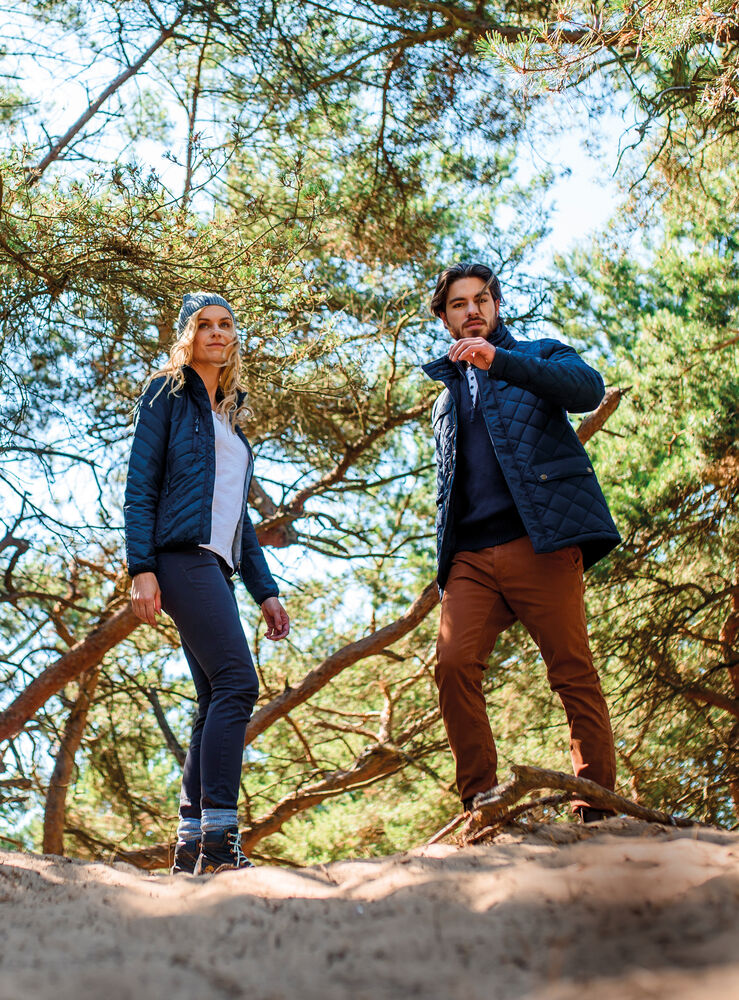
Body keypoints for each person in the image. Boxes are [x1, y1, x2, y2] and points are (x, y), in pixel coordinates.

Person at [422, 263, 621, 823]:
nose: (473, 311)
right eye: (459, 304)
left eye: (482, 300)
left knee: (571, 670)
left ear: (496, 306)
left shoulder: (540, 354)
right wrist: (447, 560)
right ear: (445, 319)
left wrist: (501, 362)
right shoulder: (444, 402)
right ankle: (482, 805)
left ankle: (596, 807)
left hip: (542, 542)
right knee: (453, 665)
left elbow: (587, 390)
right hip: (470, 557)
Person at [124, 291, 290, 873]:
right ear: (187, 335)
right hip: (179, 559)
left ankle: (192, 845)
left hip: (215, 566)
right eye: (204, 325)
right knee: (238, 682)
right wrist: (141, 567)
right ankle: (221, 842)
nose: (217, 333)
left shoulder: (231, 421)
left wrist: (265, 591)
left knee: (214, 698)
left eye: (225, 324)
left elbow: (239, 521)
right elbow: (140, 484)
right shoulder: (166, 394)